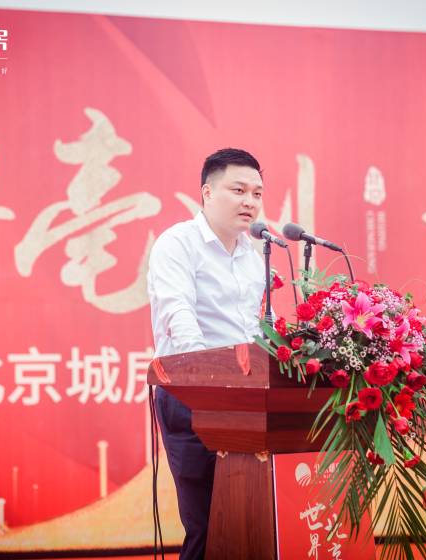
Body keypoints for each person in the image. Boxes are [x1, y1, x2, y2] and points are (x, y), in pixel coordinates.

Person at [147, 148, 266, 560]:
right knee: (209, 525)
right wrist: (210, 385)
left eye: (257, 193)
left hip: (247, 401)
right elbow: (179, 318)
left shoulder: (253, 257)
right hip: (191, 398)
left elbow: (253, 331)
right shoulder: (178, 244)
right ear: (208, 192)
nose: (250, 201)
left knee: (248, 524)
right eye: (239, 190)